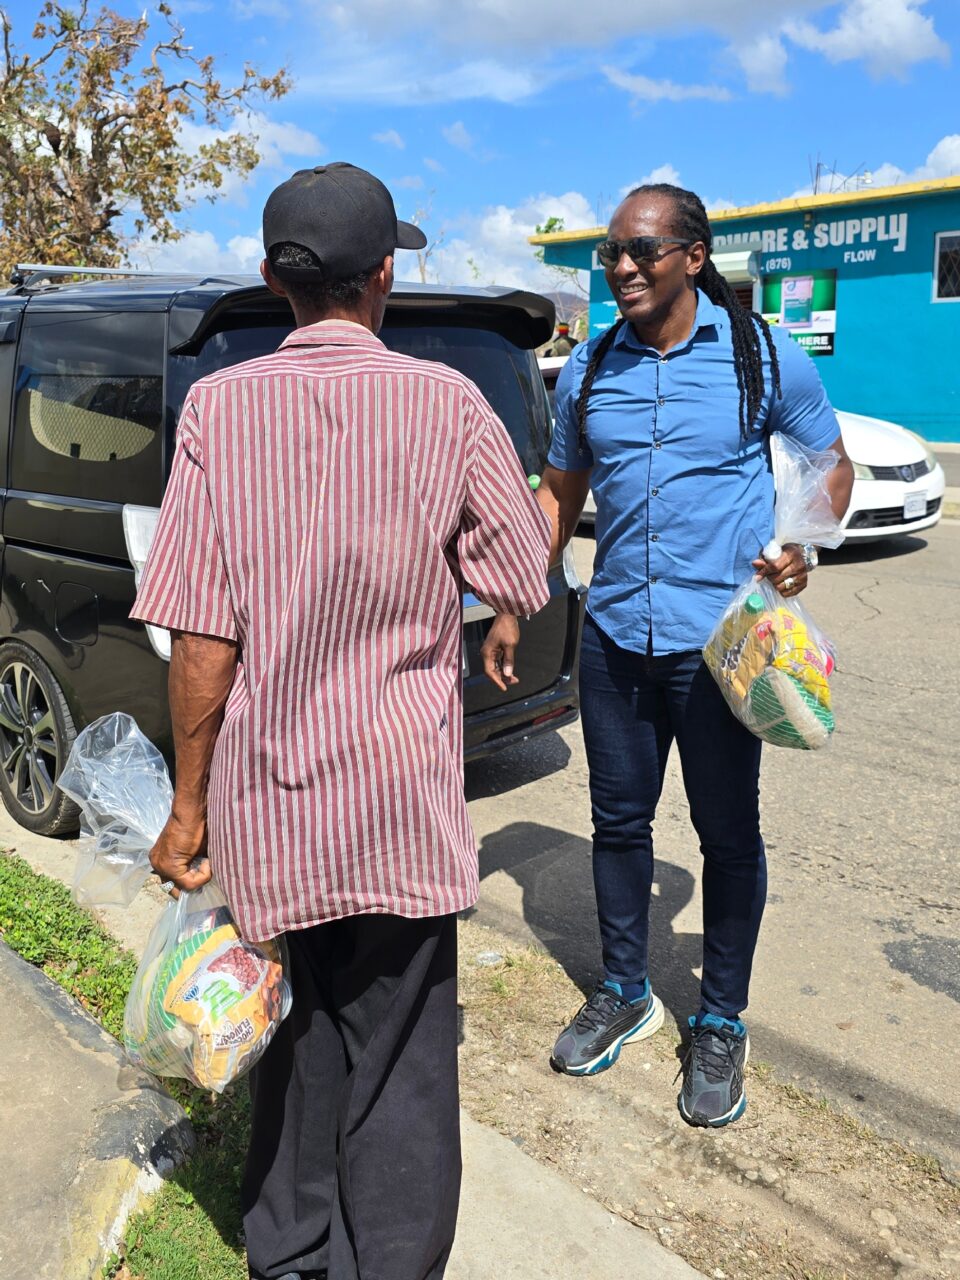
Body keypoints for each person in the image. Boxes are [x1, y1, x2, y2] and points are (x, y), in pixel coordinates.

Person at [132, 162, 551, 1280]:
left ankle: (289, 1251)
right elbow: (520, 568)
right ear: (385, 276)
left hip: (271, 800)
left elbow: (200, 636)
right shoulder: (450, 405)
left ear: (274, 278)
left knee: (296, 1035)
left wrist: (187, 808)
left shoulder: (219, 408)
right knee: (403, 1053)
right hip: (403, 803)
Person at [482, 182, 853, 1129]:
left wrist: (802, 540)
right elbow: (560, 493)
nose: (622, 267)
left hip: (721, 650)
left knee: (728, 837)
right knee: (617, 824)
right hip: (613, 638)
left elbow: (830, 460)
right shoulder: (590, 367)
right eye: (612, 251)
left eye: (642, 250)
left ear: (694, 255)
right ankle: (624, 991)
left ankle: (720, 1019)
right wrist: (518, 599)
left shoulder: (764, 355)